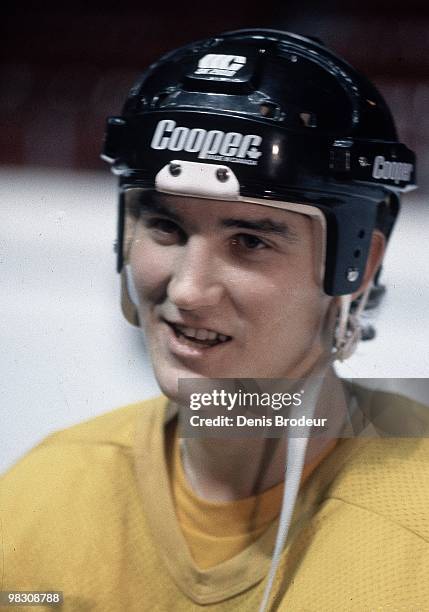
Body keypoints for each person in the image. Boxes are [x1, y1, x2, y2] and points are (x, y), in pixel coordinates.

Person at [1, 29, 428, 612]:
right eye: (166, 228)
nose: (187, 290)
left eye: (250, 241)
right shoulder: (40, 496)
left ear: (359, 263)